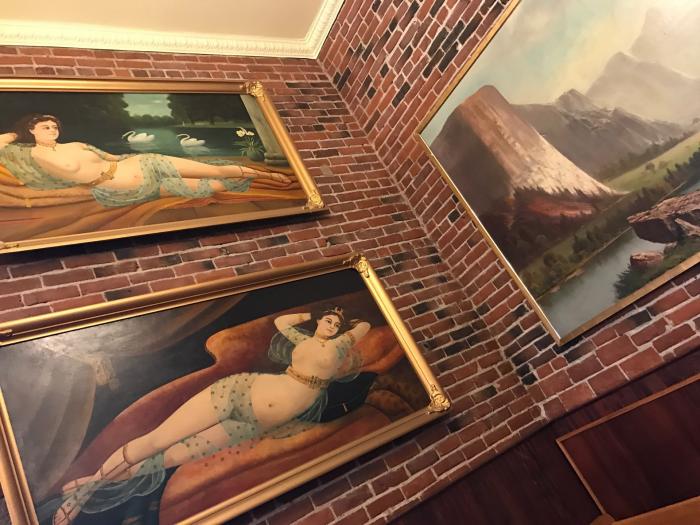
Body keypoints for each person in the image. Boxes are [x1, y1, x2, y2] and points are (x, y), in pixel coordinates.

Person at [50, 307, 370, 525]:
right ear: (320, 322)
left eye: (335, 324)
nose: (331, 326)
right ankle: (80, 497)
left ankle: (91, 481)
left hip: (252, 423)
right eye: (328, 321)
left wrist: (347, 326)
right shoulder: (304, 338)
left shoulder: (340, 346)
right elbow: (282, 323)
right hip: (239, 393)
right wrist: (311, 315)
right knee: (156, 441)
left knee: (167, 459)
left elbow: (365, 327)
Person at [0, 114, 290, 208]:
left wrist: (136, 156)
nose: (53, 130)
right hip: (122, 189)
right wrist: (16, 132)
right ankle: (257, 178)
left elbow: (114, 157)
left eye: (55, 126)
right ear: (32, 130)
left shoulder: (76, 144)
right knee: (213, 186)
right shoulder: (28, 154)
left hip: (142, 163)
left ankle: (265, 175)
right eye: (45, 127)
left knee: (213, 171)